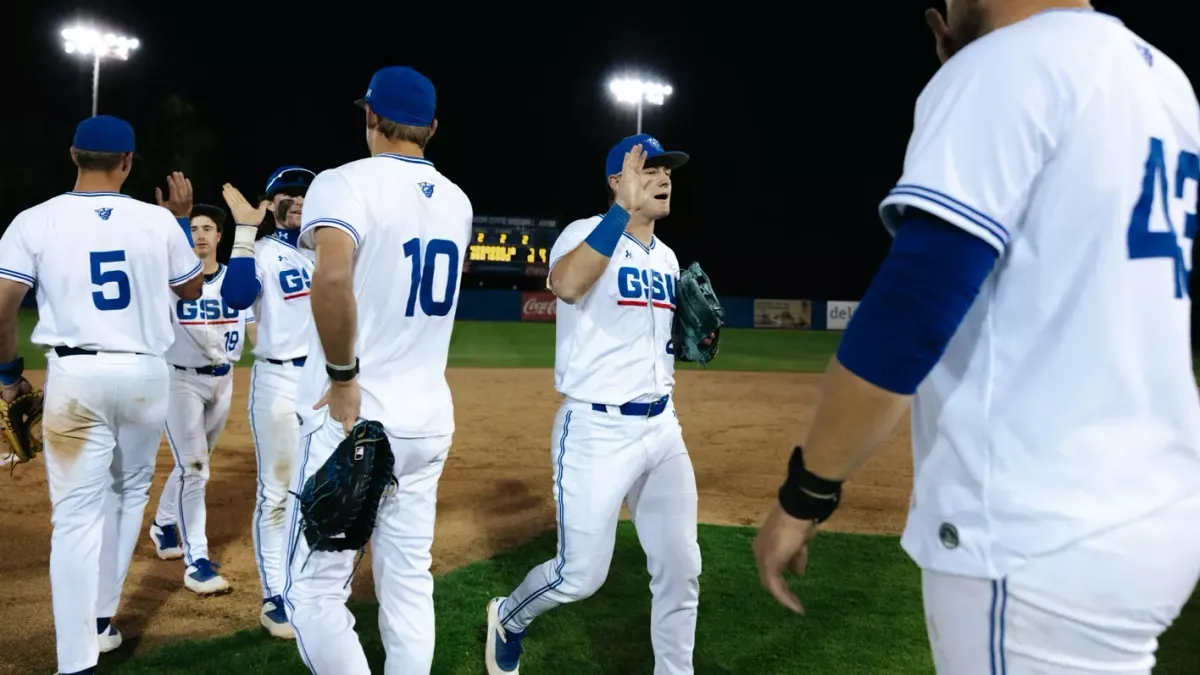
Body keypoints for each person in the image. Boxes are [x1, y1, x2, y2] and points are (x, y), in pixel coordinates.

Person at [752, 3, 1200, 674]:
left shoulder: (1004, 66)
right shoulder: (1164, 79)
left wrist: (806, 495)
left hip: (1034, 534)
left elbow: (910, 312)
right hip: (1157, 513)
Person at [280, 64, 471, 675]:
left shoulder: (343, 182)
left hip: (355, 417)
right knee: (409, 580)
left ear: (370, 116)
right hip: (427, 420)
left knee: (312, 593)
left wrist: (342, 377)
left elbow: (332, 278)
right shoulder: (458, 200)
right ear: (432, 127)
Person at [486, 134, 699, 675]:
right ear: (616, 181)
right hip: (595, 430)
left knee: (681, 568)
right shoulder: (584, 233)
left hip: (662, 427)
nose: (663, 178)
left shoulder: (668, 257)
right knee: (579, 576)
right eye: (648, 169)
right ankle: (508, 617)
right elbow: (566, 284)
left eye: (667, 170)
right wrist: (620, 213)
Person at [0, 116, 203, 675]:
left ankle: (76, 661)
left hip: (77, 377)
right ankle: (101, 618)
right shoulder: (157, 221)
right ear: (128, 162)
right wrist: (180, 220)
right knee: (128, 492)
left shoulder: (35, 220)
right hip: (145, 376)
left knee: (75, 519)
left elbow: (3, 305)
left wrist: (9, 375)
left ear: (74, 155)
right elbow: (191, 288)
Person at [219, 165, 315, 638]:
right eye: (288, 193)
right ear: (271, 202)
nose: (298, 199)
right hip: (279, 380)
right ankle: (275, 594)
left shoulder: (329, 252)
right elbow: (236, 296)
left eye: (306, 192)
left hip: (325, 383)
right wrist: (243, 230)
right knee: (277, 494)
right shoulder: (258, 252)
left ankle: (309, 588)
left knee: (319, 492)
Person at [147, 203, 255, 598]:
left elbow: (254, 331)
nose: (201, 235)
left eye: (208, 228)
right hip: (179, 381)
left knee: (193, 462)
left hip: (223, 381)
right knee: (195, 468)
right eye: (193, 228)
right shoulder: (170, 281)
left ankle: (163, 523)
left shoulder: (234, 282)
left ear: (220, 235)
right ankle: (198, 562)